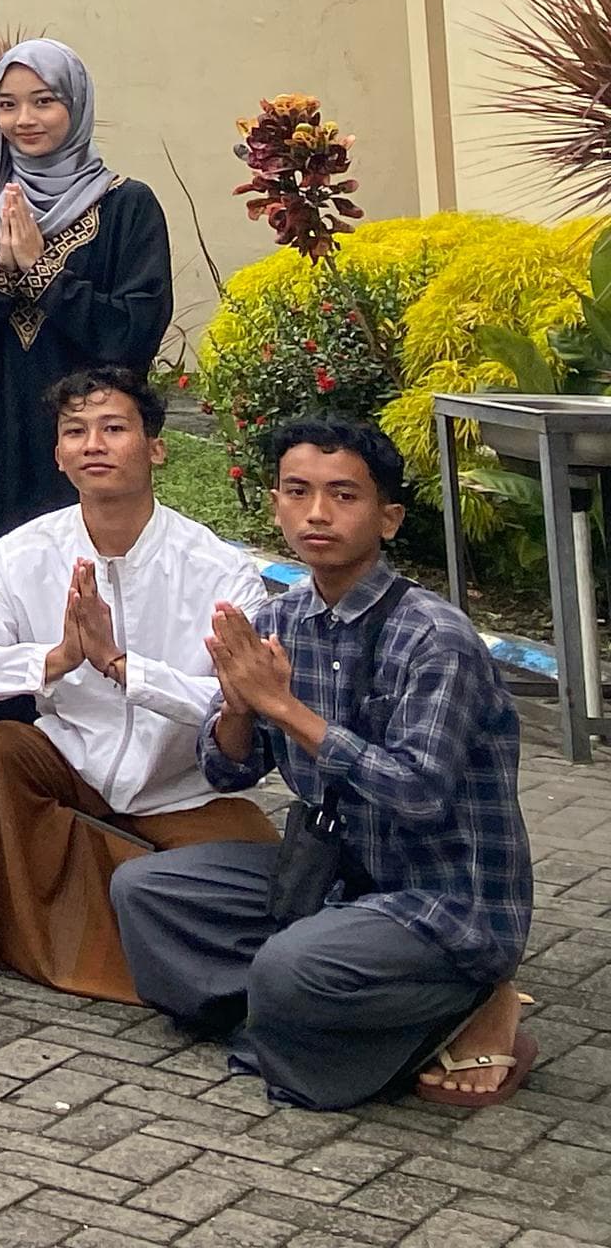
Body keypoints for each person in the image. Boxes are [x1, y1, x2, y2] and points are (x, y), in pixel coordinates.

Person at [113, 419, 538, 1113]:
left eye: (343, 495)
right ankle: (302, 1004)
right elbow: (226, 773)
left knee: (292, 967)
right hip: (331, 876)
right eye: (297, 491)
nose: (317, 513)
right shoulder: (278, 621)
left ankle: (467, 1002)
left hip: (444, 898)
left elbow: (418, 794)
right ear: (275, 504)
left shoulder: (436, 639)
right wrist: (239, 709)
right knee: (146, 890)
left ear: (388, 518)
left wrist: (285, 709)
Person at [0, 363, 272, 1003]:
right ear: (58, 457)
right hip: (72, 771)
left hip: (180, 791)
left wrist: (122, 666)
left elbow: (239, 702)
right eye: (75, 431)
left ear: (156, 448)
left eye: (114, 428)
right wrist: (55, 659)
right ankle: (79, 922)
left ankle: (60, 916)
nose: (93, 445)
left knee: (270, 883)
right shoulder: (26, 552)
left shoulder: (219, 571)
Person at [0, 41, 172, 580]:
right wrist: (3, 272)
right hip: (3, 423)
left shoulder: (127, 205)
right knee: (6, 575)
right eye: (7, 105)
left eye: (43, 101)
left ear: (75, 105)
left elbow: (134, 333)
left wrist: (43, 271)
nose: (24, 119)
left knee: (94, 577)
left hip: (94, 426)